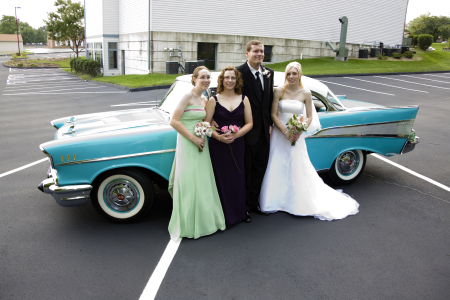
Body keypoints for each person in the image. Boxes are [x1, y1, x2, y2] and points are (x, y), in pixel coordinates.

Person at [259, 62, 359, 220]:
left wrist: (299, 129)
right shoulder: (278, 91)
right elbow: (273, 115)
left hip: (296, 135)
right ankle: (274, 201)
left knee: (296, 164)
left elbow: (310, 116)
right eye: (289, 74)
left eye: (295, 73)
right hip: (280, 134)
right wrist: (285, 131)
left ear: (299, 75)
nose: (291, 77)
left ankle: (297, 202)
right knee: (277, 162)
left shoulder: (305, 92)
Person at [168, 66, 226, 240]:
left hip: (202, 143)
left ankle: (205, 221)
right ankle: (188, 224)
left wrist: (211, 124)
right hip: (188, 142)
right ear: (194, 79)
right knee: (189, 181)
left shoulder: (204, 98)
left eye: (209, 77)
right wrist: (194, 139)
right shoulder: (187, 96)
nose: (206, 80)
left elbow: (204, 119)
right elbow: (174, 121)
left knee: (202, 181)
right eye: (203, 77)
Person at [204, 66, 253, 226]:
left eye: (233, 78)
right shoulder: (214, 100)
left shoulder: (244, 99)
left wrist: (236, 135)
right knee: (221, 179)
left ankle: (239, 213)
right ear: (222, 80)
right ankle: (222, 215)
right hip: (218, 147)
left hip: (237, 144)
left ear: (237, 80)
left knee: (237, 178)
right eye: (227, 78)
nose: (230, 80)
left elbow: (249, 123)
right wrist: (218, 137)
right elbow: (205, 125)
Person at [236, 40, 274, 223]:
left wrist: (271, 124)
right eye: (256, 51)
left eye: (262, 52)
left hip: (265, 133)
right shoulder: (238, 73)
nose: (259, 54)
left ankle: (254, 203)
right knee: (246, 170)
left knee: (260, 169)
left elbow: (268, 101)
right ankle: (243, 207)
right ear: (247, 53)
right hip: (246, 132)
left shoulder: (269, 73)